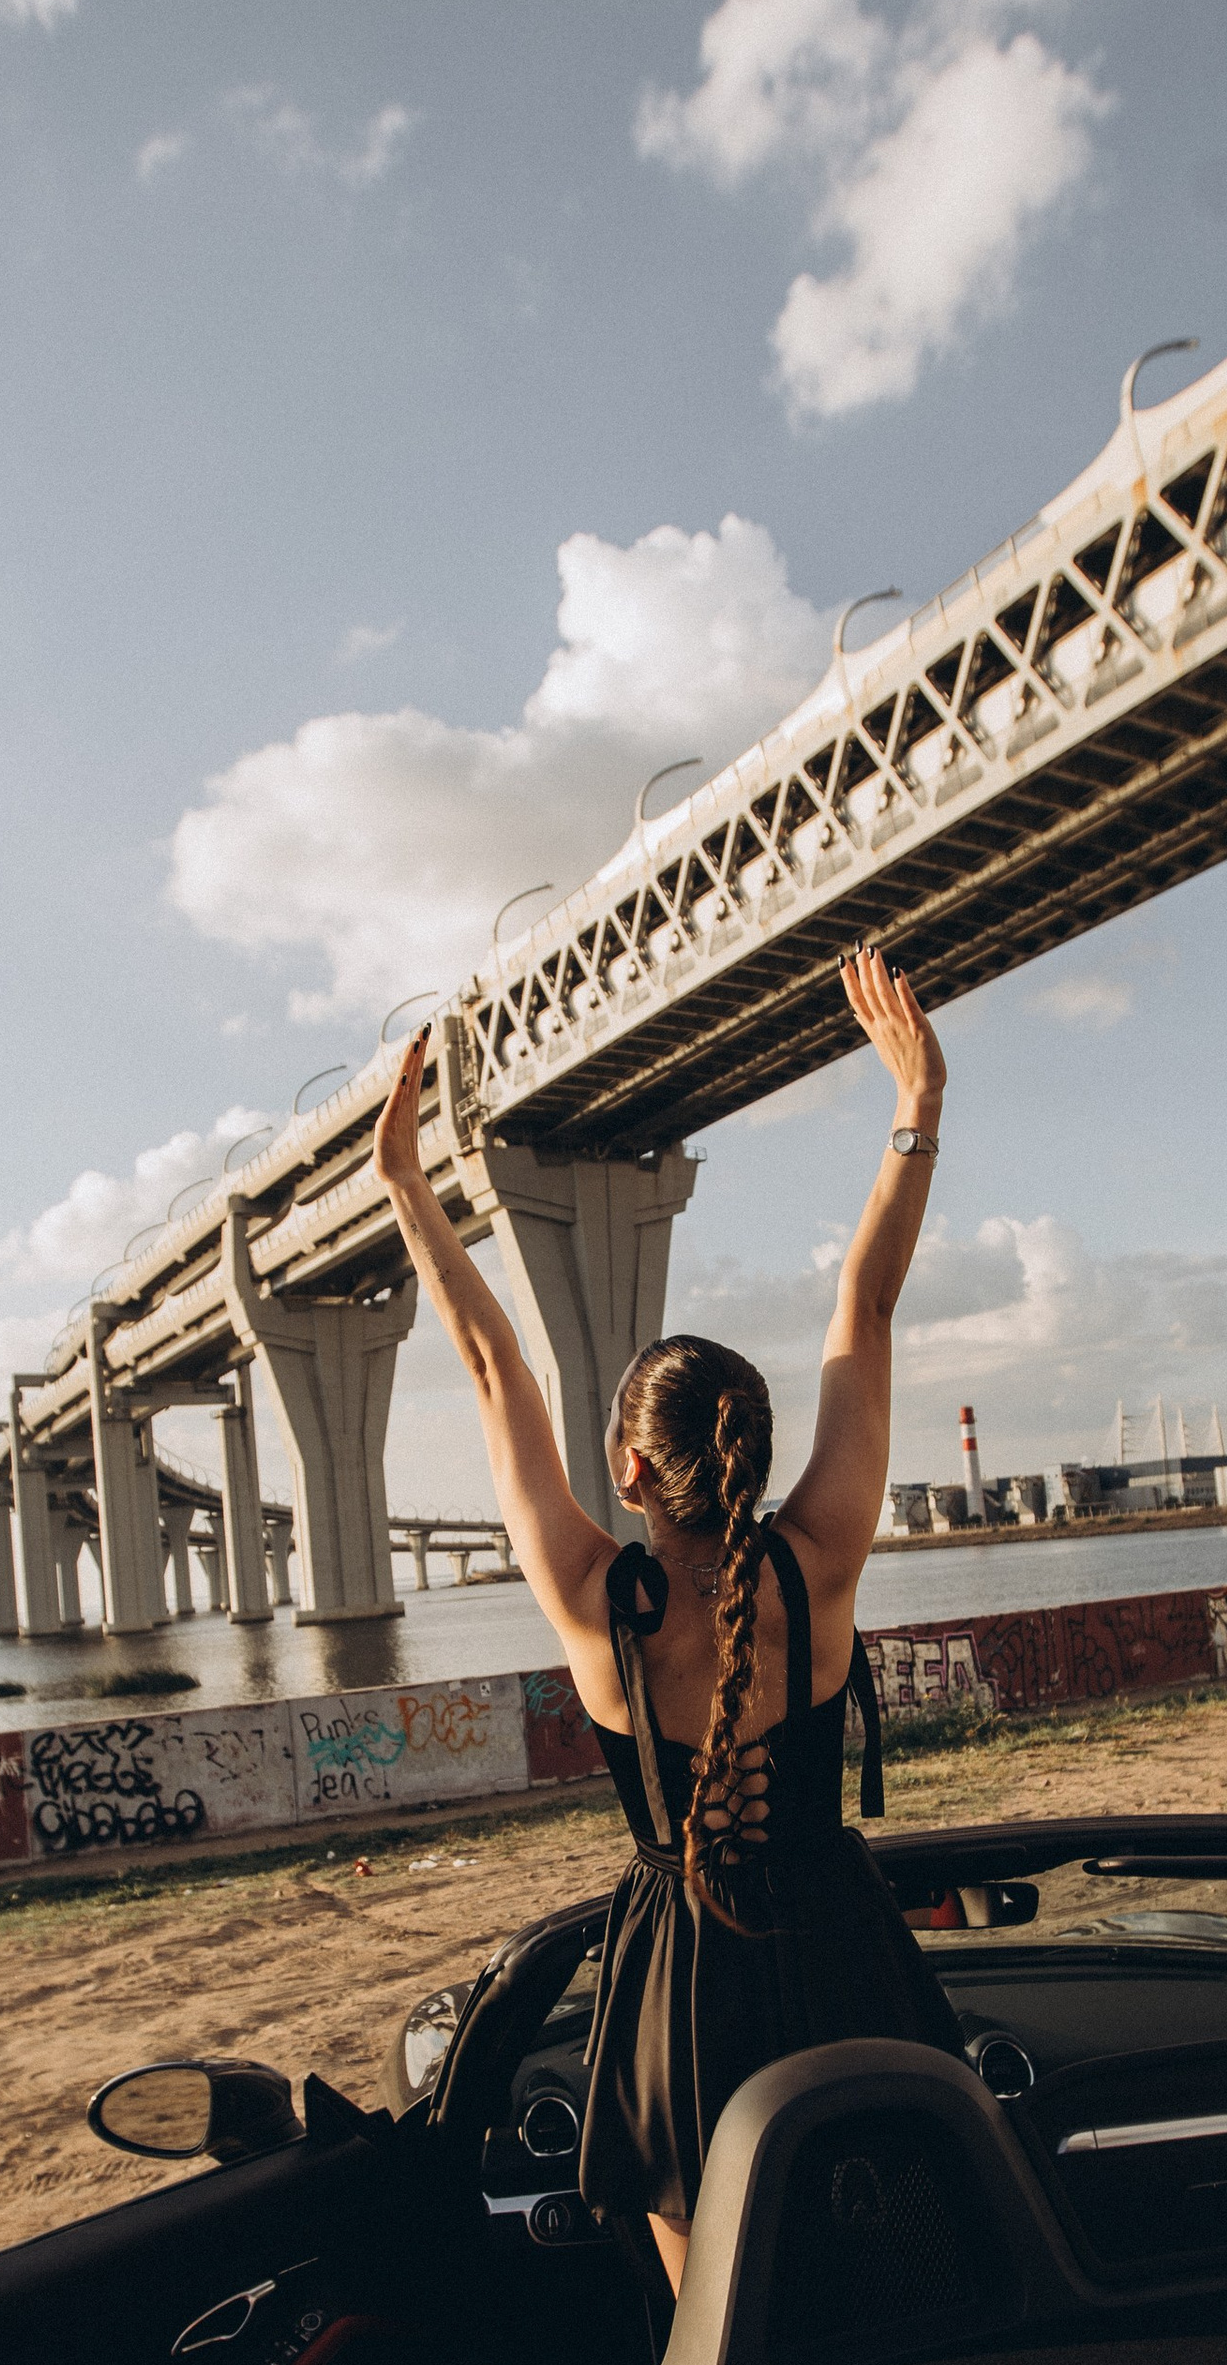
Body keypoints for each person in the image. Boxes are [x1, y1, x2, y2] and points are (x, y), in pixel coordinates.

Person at [371, 947, 963, 2294]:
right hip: (847, 1965)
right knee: (895, 2291)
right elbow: (864, 1308)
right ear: (751, 1450)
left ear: (633, 1472)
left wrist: (410, 1189)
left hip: (679, 1992)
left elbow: (487, 1366)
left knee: (720, 2338)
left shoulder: (601, 1614)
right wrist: (915, 1102)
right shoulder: (819, 1564)